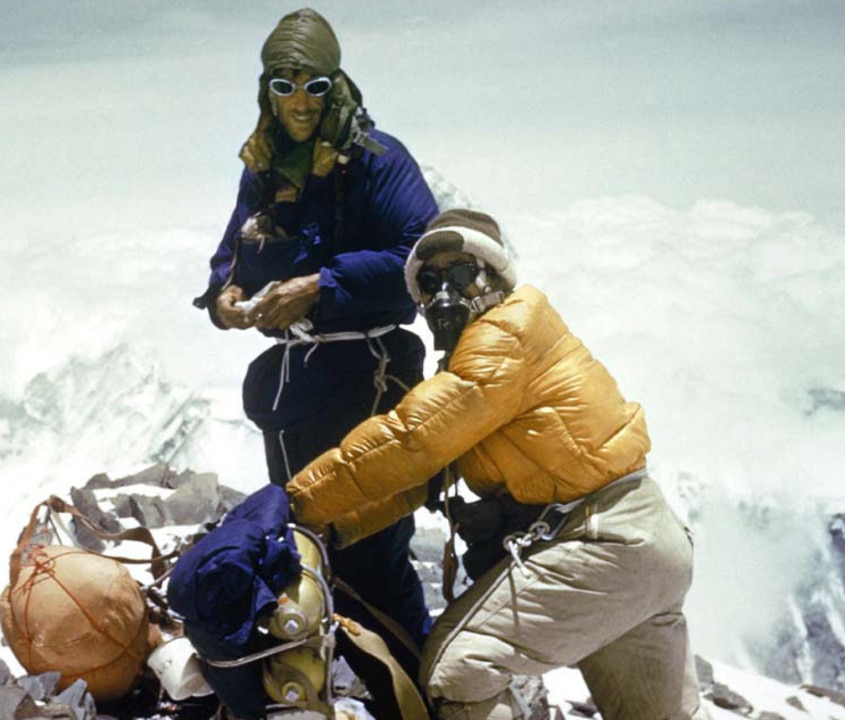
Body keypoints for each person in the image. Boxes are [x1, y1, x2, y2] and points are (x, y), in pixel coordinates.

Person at [287, 209, 710, 720]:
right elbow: (420, 480)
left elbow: (411, 441)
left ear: (496, 278)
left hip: (605, 542)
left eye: (463, 273)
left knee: (457, 670)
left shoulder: (504, 335)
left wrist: (295, 502)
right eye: (430, 279)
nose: (446, 291)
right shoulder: (486, 360)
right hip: (646, 549)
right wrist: (334, 526)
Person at [190, 7, 438, 710]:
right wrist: (225, 298)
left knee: (374, 553)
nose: (299, 101)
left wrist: (320, 286)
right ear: (266, 90)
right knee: (310, 548)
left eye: (315, 86)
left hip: (366, 384)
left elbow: (421, 258)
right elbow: (228, 256)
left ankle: (419, 697)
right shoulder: (263, 166)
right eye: (284, 85)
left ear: (339, 87)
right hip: (297, 398)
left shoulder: (379, 161)